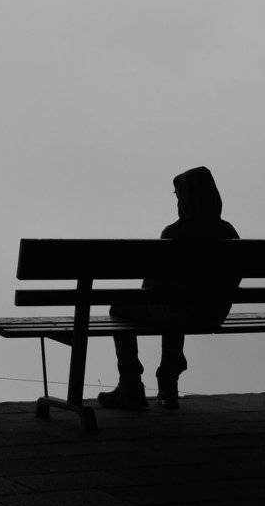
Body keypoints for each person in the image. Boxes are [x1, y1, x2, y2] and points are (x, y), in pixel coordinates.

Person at [97, 166, 240, 410]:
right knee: (176, 304)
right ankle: (168, 378)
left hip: (180, 313)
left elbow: (151, 287)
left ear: (186, 198)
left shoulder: (175, 233)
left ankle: (131, 384)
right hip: (214, 314)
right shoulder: (228, 232)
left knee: (121, 309)